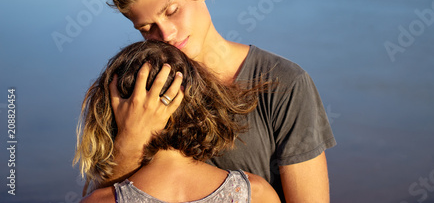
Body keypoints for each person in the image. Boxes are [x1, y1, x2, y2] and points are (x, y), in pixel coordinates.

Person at [104, 0, 336, 202]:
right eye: (147, 28)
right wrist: (130, 139)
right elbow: (107, 196)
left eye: (172, 11)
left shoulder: (284, 85)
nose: (165, 34)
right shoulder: (145, 91)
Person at [74, 40, 280, 202]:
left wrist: (126, 144)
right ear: (200, 106)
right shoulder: (254, 193)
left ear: (106, 117)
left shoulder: (100, 199)